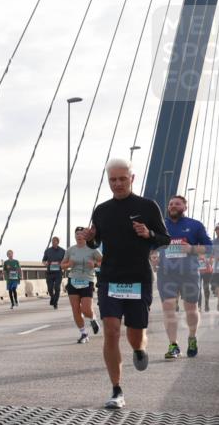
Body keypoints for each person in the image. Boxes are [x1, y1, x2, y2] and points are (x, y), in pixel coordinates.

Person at [80, 158, 170, 409]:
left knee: (136, 335)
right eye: (112, 180)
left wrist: (148, 234)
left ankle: (139, 350)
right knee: (111, 331)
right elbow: (95, 244)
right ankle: (117, 389)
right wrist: (90, 239)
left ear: (132, 178)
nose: (117, 184)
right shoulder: (101, 210)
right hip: (110, 279)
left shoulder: (148, 206)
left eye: (122, 179)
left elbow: (165, 238)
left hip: (138, 279)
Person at [154, 195, 211, 358]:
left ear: (184, 207)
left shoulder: (195, 225)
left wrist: (192, 249)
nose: (173, 206)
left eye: (177, 204)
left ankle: (192, 338)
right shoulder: (160, 225)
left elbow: (209, 248)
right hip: (167, 273)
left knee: (191, 309)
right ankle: (173, 345)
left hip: (189, 273)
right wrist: (154, 255)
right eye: (170, 204)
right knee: (168, 307)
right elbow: (151, 246)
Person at [62, 226, 102, 343]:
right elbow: (62, 265)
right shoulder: (70, 250)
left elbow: (103, 261)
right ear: (75, 236)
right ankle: (84, 334)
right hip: (73, 280)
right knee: (75, 309)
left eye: (81, 234)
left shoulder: (93, 249)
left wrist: (94, 264)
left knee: (86, 309)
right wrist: (69, 263)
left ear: (85, 236)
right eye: (77, 234)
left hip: (87, 281)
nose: (79, 236)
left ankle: (93, 318)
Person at [42, 237, 66, 308]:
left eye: (55, 241)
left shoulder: (63, 251)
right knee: (50, 288)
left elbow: (66, 260)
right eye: (52, 241)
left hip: (58, 273)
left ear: (58, 242)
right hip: (49, 272)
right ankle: (52, 297)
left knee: (57, 288)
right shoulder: (48, 251)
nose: (53, 243)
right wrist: (45, 263)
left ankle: (55, 302)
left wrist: (61, 264)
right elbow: (43, 260)